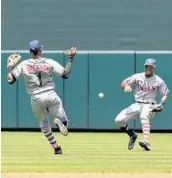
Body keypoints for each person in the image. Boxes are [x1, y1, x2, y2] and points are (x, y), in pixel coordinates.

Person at [7, 40, 76, 154]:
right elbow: (66, 74)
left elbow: (10, 80)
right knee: (64, 120)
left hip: (36, 97)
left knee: (44, 123)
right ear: (40, 50)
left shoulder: (23, 64)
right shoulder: (49, 62)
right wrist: (70, 58)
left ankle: (56, 148)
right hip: (51, 95)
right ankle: (61, 122)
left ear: (30, 51)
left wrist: (10, 68)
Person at [115, 58, 169, 151]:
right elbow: (123, 83)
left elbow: (165, 95)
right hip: (137, 104)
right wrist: (126, 85)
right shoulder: (137, 76)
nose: (148, 68)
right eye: (146, 66)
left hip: (150, 105)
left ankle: (146, 142)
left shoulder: (158, 80)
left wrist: (160, 104)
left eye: (150, 67)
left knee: (144, 116)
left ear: (154, 68)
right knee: (118, 120)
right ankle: (132, 135)